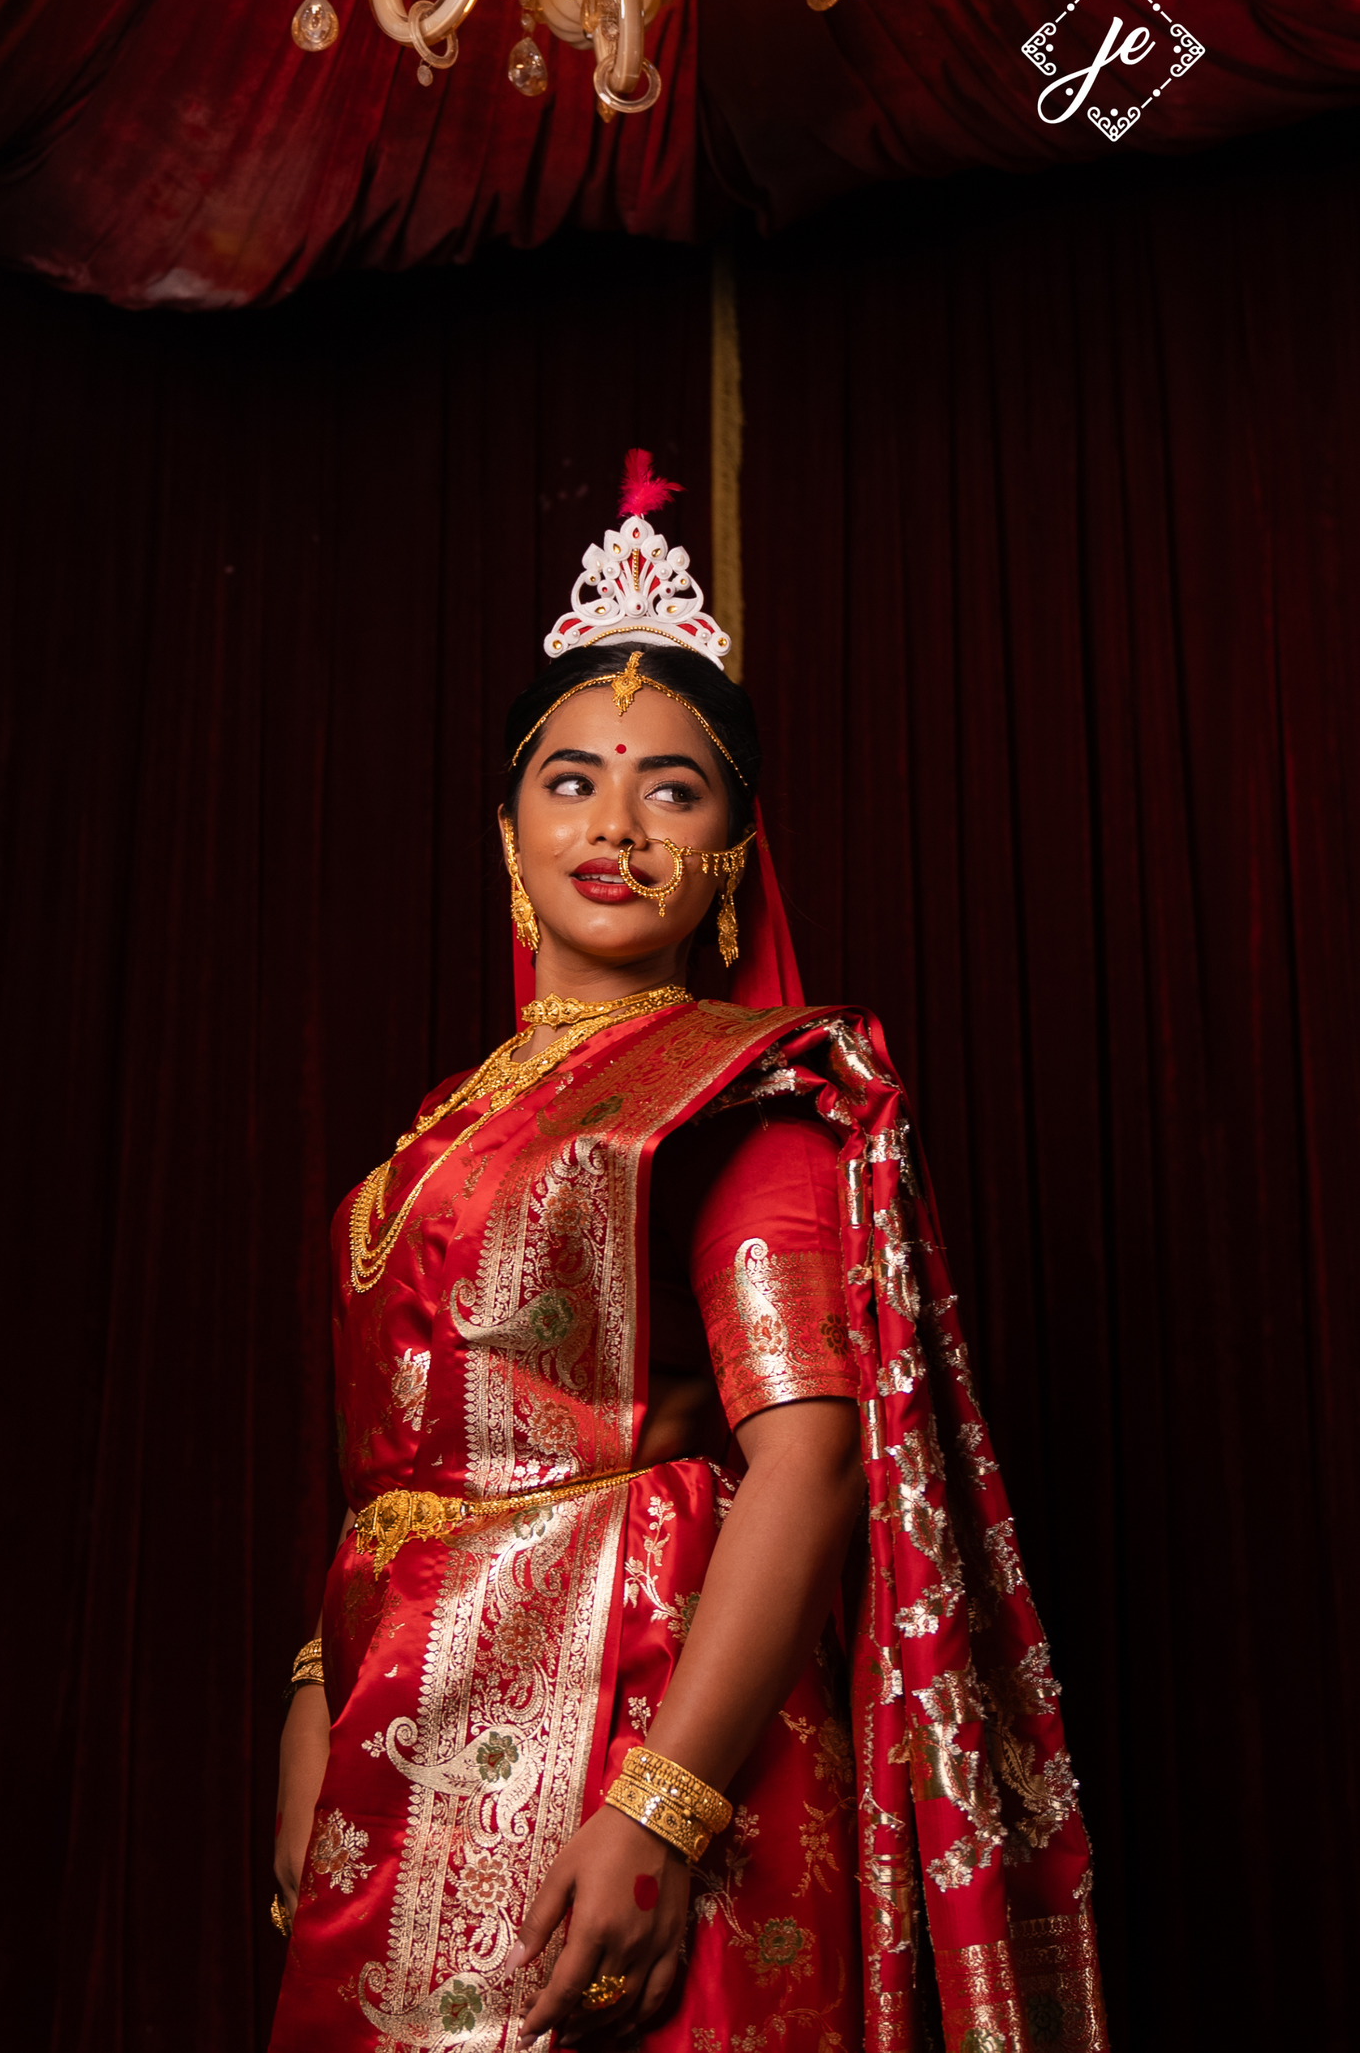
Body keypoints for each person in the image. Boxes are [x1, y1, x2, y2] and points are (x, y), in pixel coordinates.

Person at [268, 456, 1109, 2053]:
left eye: (675, 787)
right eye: (571, 778)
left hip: (631, 1735)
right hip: (398, 1763)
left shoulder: (744, 1102)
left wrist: (660, 1814)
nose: (617, 823)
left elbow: (809, 1464)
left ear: (733, 851)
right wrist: (315, 1707)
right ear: (508, 831)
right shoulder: (433, 1132)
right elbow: (386, 1478)